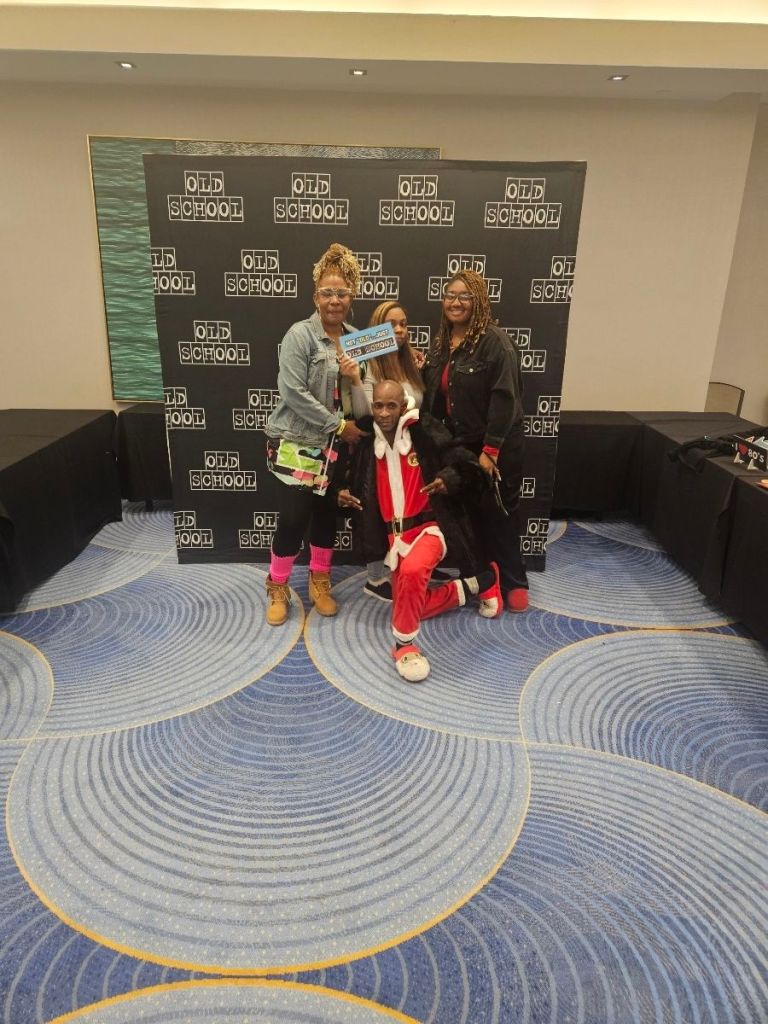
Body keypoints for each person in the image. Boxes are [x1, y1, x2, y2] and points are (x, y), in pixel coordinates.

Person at [336, 380, 502, 683]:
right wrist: (342, 491)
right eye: (378, 406)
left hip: (430, 527)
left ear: (402, 406)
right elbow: (350, 475)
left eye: (391, 406)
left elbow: (465, 462)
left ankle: (404, 646)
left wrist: (449, 478)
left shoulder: (424, 431)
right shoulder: (365, 441)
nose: (383, 413)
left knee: (413, 571)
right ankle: (478, 583)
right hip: (394, 539)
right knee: (414, 605)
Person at [264, 243, 365, 626]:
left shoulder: (359, 337)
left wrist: (406, 358)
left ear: (351, 297)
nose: (334, 300)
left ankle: (320, 582)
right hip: (299, 441)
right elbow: (292, 392)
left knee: (326, 515)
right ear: (315, 297)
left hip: (338, 447)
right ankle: (277, 585)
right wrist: (337, 425)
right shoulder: (300, 335)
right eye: (327, 293)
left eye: (341, 293)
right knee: (294, 518)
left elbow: (372, 385)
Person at [422, 269, 529, 612]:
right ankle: (486, 579)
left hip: (496, 445)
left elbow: (505, 398)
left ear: (479, 300)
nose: (455, 302)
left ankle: (515, 581)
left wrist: (491, 450)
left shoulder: (495, 342)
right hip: (462, 445)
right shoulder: (441, 343)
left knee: (500, 514)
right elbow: (435, 392)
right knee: (469, 516)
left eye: (464, 296)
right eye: (450, 295)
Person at [338, 301, 426, 603]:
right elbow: (366, 414)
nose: (399, 330)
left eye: (403, 324)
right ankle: (375, 578)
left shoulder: (411, 362)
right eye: (391, 325)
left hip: (409, 452)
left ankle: (415, 562)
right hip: (378, 452)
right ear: (378, 330)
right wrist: (355, 379)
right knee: (376, 513)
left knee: (414, 509)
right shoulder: (368, 364)